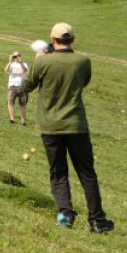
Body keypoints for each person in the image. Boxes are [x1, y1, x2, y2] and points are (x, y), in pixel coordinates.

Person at [22, 23, 114, 233]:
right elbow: (83, 82)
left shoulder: (43, 61)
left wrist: (37, 60)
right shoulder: (83, 61)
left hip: (50, 125)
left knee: (58, 172)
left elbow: (27, 86)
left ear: (52, 40)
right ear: (72, 39)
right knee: (86, 173)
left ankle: (66, 215)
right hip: (76, 124)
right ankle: (97, 220)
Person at [5, 50, 29, 125]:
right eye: (14, 56)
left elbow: (25, 70)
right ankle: (12, 119)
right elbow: (6, 70)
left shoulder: (24, 64)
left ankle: (23, 121)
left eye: (17, 56)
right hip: (12, 86)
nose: (16, 58)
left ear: (20, 56)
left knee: (23, 104)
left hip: (22, 87)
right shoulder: (11, 64)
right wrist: (10, 61)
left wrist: (21, 62)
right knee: (10, 102)